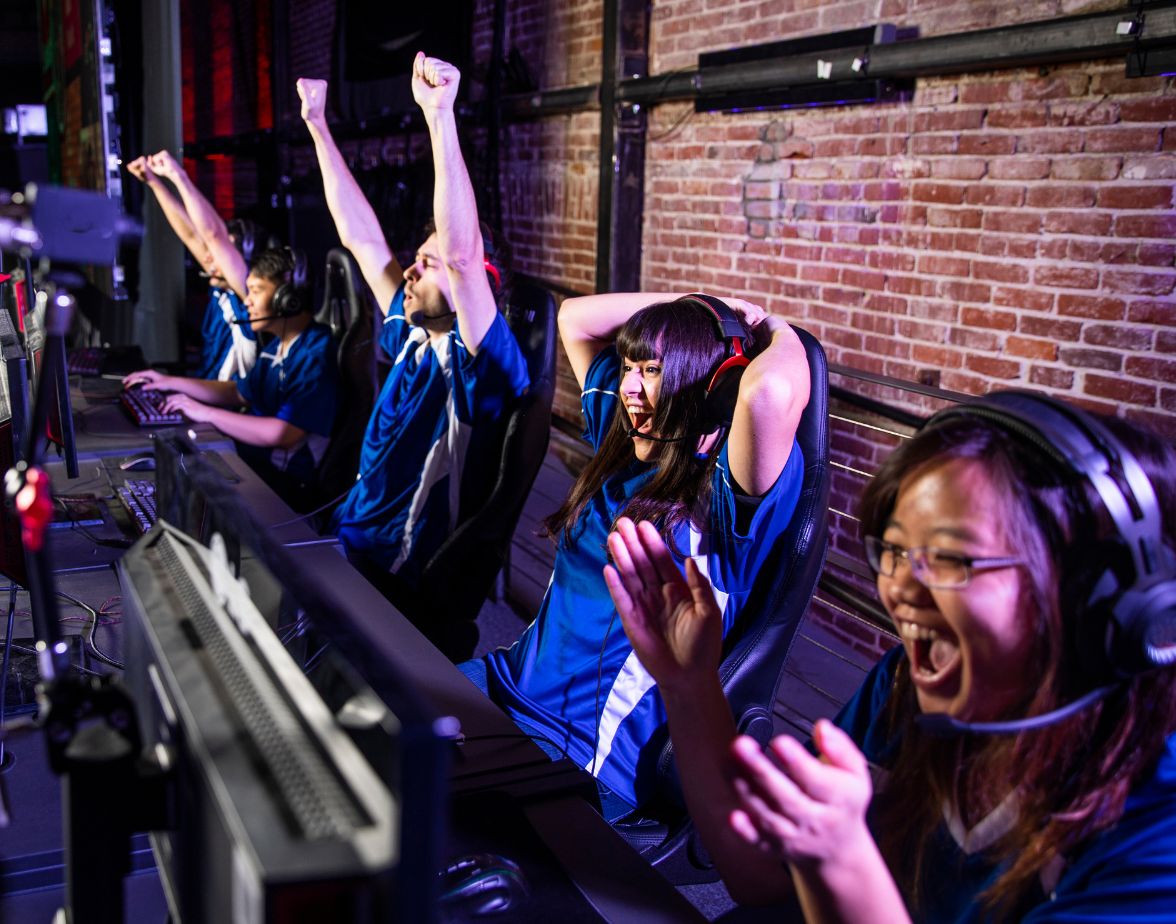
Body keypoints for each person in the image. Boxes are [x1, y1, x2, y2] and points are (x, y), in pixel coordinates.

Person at [606, 394, 1176, 922]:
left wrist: (841, 861)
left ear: (1092, 592)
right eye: (896, 551)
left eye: (950, 558)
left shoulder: (1158, 829)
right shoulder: (903, 687)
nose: (899, 586)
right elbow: (761, 879)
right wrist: (688, 682)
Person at [466, 290, 810, 816]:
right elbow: (576, 319)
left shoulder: (724, 502)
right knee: (362, 705)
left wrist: (772, 329)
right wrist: (709, 307)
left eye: (651, 371)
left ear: (717, 390)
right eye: (628, 367)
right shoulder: (628, 436)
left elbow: (769, 392)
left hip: (579, 755)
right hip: (504, 682)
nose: (628, 387)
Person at [298, 56, 529, 655]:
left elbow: (462, 256)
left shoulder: (483, 367)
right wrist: (317, 124)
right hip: (343, 541)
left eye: (427, 263)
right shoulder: (412, 336)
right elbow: (362, 238)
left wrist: (439, 115)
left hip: (387, 579)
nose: (410, 270)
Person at [123, 247, 338, 500]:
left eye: (256, 290)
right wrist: (170, 382)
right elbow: (240, 392)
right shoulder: (280, 344)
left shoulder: (314, 354)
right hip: (252, 462)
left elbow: (284, 434)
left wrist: (207, 413)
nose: (247, 301)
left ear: (286, 298)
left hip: (282, 483)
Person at [126, 152, 258, 382]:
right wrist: (153, 181)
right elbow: (191, 235)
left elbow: (214, 235)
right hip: (204, 389)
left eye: (219, 255)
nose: (208, 258)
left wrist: (178, 175)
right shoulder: (223, 290)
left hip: (226, 401)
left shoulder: (247, 298)